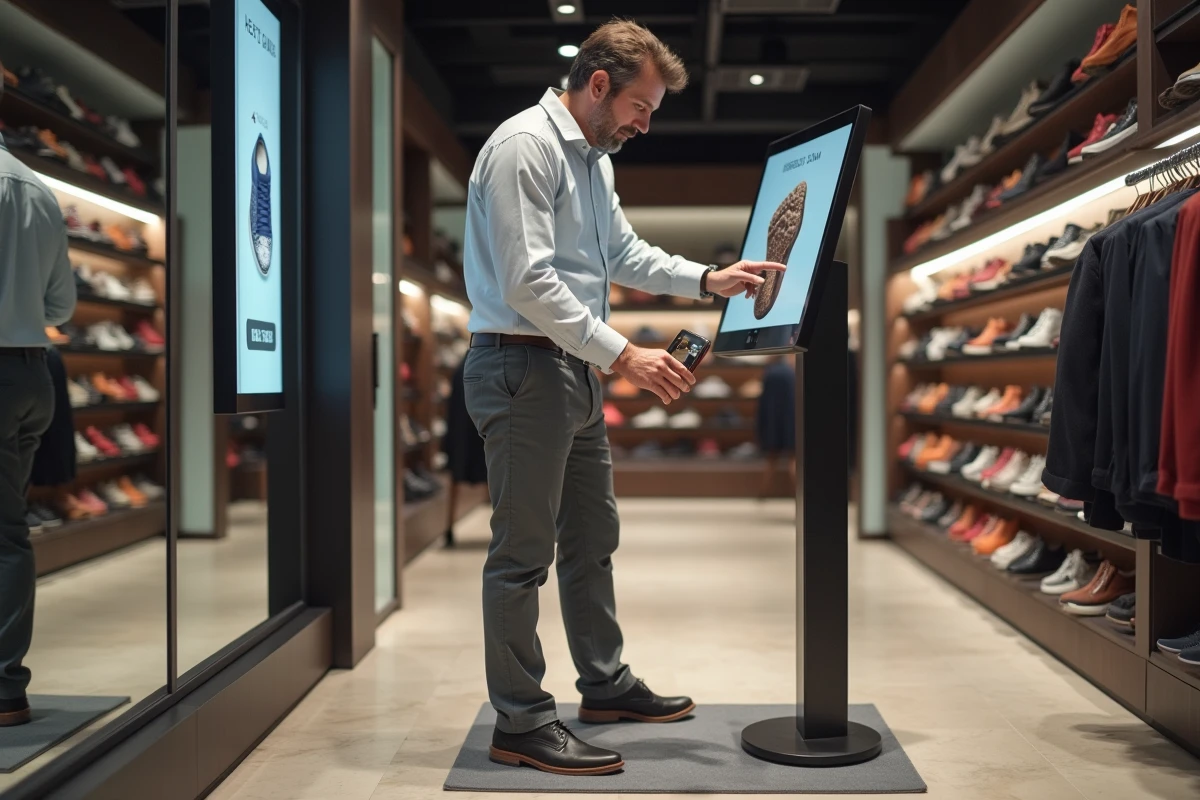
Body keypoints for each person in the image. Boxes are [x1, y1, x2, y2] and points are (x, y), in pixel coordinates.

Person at [461, 20, 785, 775]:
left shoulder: (594, 160)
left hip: (570, 369)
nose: (646, 122)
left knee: (591, 542)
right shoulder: (525, 148)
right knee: (521, 556)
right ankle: (521, 721)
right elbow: (526, 281)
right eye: (642, 106)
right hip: (521, 366)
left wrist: (710, 278)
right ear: (598, 85)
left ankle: (604, 685)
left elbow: (625, 252)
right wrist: (624, 353)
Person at [0, 60, 77, 727]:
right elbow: (63, 304)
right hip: (31, 371)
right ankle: (5, 688)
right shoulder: (37, 188)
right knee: (9, 531)